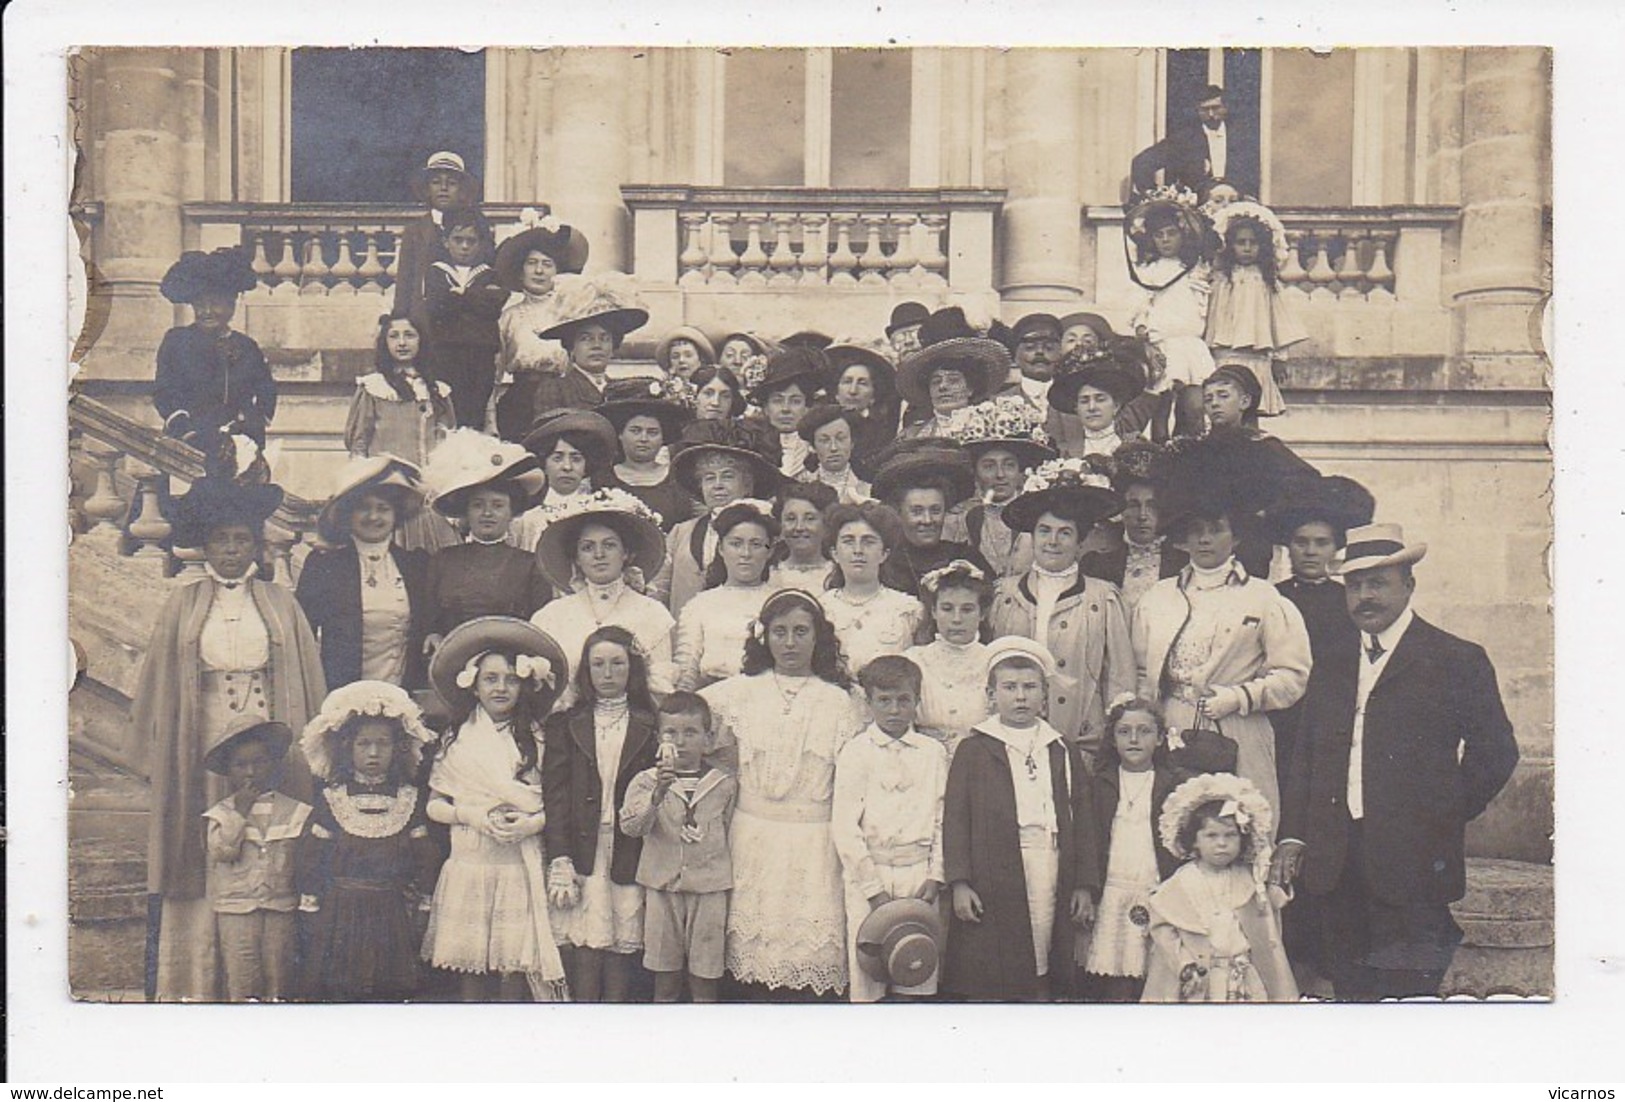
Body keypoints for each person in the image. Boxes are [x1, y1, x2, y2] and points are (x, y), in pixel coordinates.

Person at [1273, 524, 1519, 1001]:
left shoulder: (1454, 658)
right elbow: (1307, 752)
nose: (1364, 596)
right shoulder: (1332, 659)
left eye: (1378, 583)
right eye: (1354, 584)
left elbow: (1496, 752)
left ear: (1409, 585)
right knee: (1349, 991)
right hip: (1335, 861)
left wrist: (1440, 814)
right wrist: (1295, 833)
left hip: (1414, 863)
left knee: (1410, 996)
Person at [132, 475, 325, 1001]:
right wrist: (162, 749)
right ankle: (198, 981)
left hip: (267, 734)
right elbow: (159, 681)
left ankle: (268, 977)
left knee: (266, 834)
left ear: (256, 544)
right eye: (222, 540)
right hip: (202, 734)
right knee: (207, 841)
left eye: (242, 539)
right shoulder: (184, 602)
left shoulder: (280, 601)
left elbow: (306, 677)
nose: (233, 550)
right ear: (206, 546)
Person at [699, 590, 867, 999]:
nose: (789, 643)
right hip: (751, 836)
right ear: (764, 637)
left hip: (815, 840)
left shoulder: (844, 701)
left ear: (818, 637)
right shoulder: (736, 693)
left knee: (807, 947)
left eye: (800, 632)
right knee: (748, 958)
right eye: (779, 632)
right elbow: (688, 730)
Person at [1131, 463, 1313, 826]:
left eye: (1216, 530)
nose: (1204, 540)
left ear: (1236, 538)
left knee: (1240, 826)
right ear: (1182, 539)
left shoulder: (1263, 598)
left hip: (1238, 728)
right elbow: (1139, 672)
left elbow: (1293, 676)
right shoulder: (1158, 597)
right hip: (1172, 726)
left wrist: (1240, 697)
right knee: (1175, 827)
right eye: (1195, 531)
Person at [421, 617, 570, 1001]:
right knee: (472, 966)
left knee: (512, 968)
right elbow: (435, 804)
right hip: (471, 860)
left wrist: (531, 824)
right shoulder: (456, 739)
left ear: (523, 684)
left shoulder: (537, 736)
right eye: (491, 679)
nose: (500, 688)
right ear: (474, 685)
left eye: (510, 679)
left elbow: (555, 800)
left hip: (516, 866)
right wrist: (471, 815)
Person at [942, 637, 1095, 1001]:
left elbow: (1084, 819)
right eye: (1009, 688)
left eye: (1030, 687)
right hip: (995, 868)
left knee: (1045, 947)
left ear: (1045, 694)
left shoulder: (1060, 748)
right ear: (991, 695)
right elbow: (956, 820)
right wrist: (960, 882)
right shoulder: (975, 748)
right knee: (998, 959)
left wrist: (1085, 884)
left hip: (1051, 862)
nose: (1021, 697)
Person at [295, 681, 440, 1001]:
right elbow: (312, 860)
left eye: (383, 744)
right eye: (364, 744)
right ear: (348, 747)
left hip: (391, 917)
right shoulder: (332, 800)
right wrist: (311, 909)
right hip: (340, 917)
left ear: (397, 748)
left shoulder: (410, 800)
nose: (373, 753)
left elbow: (425, 860)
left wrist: (424, 905)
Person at [544, 626, 661, 1002]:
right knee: (585, 944)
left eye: (617, 664)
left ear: (632, 669)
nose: (608, 674)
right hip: (583, 846)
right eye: (598, 665)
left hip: (628, 846)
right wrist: (559, 854)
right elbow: (556, 794)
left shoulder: (649, 723)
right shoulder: (567, 723)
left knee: (620, 944)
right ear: (586, 672)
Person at [990, 458, 1136, 760]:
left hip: (1081, 739)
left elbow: (1121, 678)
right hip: (1012, 737)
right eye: (1044, 531)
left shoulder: (1103, 598)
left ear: (1080, 541)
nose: (1052, 542)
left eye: (1064, 533)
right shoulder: (1004, 593)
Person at [832, 655, 949, 1003]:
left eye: (903, 700)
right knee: (870, 974)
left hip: (919, 878)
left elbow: (943, 815)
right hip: (870, 879)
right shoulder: (856, 752)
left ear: (917, 701)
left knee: (914, 966)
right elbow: (845, 827)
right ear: (868, 704)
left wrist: (936, 875)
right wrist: (873, 890)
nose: (894, 710)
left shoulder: (933, 753)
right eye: (884, 701)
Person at [619, 691, 739, 1004]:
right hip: (662, 888)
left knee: (705, 979)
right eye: (671, 733)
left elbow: (728, 830)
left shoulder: (724, 783)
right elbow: (631, 828)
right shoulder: (646, 781)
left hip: (709, 891)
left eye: (691, 732)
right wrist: (657, 795)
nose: (681, 742)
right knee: (665, 979)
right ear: (660, 738)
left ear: (708, 738)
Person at [1143, 772, 1297, 1002]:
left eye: (1230, 835)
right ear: (1194, 840)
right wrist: (1185, 965)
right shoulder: (1181, 883)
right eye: (1211, 836)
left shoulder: (1249, 880)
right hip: (1200, 976)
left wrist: (1274, 878)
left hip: (1241, 976)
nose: (1222, 844)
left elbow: (1273, 903)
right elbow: (1163, 931)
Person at [1073, 695, 1188, 1002]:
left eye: (1144, 731)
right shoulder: (1099, 785)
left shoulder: (1174, 785)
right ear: (1112, 738)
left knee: (1153, 975)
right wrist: (1085, 889)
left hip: (1156, 890)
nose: (1134, 739)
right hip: (1111, 891)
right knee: (1112, 977)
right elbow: (1085, 841)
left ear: (1161, 737)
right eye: (1124, 732)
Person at [1263, 474, 1374, 785]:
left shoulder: (1349, 600)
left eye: (1321, 543)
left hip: (1332, 717)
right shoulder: (1270, 598)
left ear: (1336, 548)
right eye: (1301, 542)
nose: (1310, 551)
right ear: (1289, 547)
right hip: (1282, 718)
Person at [297, 456, 432, 690]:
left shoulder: (416, 565)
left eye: (383, 509)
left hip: (403, 694)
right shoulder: (324, 565)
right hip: (340, 694)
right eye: (364, 508)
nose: (373, 517)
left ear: (395, 516)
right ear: (349, 513)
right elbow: (303, 636)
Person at [531, 489, 676, 706]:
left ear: (626, 553)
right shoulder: (551, 616)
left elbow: (660, 688)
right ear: (577, 558)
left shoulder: (652, 613)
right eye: (588, 547)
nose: (599, 555)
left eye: (609, 545)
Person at [201, 716, 312, 1002]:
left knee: (280, 974)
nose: (250, 772)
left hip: (280, 907)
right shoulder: (221, 813)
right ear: (229, 771)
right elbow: (222, 851)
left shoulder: (296, 811)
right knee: (242, 975)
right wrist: (239, 812)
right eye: (240, 765)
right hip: (236, 909)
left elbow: (306, 859)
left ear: (273, 764)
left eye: (259, 762)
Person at [419, 430, 553, 647]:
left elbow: (538, 628)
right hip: (452, 660)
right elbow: (429, 622)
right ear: (466, 512)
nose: (487, 513)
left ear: (512, 512)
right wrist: (432, 634)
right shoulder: (443, 560)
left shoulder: (530, 565)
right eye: (478, 505)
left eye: (498, 506)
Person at [344, 314, 459, 554]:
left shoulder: (437, 390)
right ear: (385, 343)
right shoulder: (374, 387)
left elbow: (447, 442)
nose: (402, 343)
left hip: (427, 492)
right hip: (387, 490)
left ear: (421, 341)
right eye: (394, 336)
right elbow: (358, 443)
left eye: (409, 335)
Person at [153, 246, 276, 466]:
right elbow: (164, 392)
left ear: (231, 305)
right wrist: (183, 427)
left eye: (215, 303)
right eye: (200, 304)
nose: (207, 311)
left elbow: (266, 389)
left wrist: (251, 422)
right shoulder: (177, 341)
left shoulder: (247, 347)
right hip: (188, 444)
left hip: (237, 448)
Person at [651, 419, 782, 618]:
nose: (717, 485)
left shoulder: (769, 531)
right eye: (709, 478)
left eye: (727, 476)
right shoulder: (681, 532)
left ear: (747, 484)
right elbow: (658, 592)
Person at [492, 216, 590, 436]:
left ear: (557, 272)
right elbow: (495, 372)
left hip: (563, 396)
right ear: (520, 270)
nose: (539, 271)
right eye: (532, 263)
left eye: (547, 264)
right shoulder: (508, 317)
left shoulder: (570, 313)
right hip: (519, 401)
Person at [1127, 193, 1214, 437]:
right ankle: (1161, 456)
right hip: (1162, 345)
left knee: (1195, 408)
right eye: (1159, 235)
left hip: (1191, 345)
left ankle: (1191, 455)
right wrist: (1145, 340)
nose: (1165, 240)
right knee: (1160, 408)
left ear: (1182, 235)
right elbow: (1140, 310)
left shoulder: (1195, 269)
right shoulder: (1148, 272)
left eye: (1171, 233)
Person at [939, 398, 1056, 579]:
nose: (1000, 475)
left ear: (1019, 471)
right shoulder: (959, 521)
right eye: (989, 466)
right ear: (975, 472)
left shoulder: (1039, 518)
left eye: (1009, 465)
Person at [1205, 201, 1301, 417]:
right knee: (1225, 407)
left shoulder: (1268, 282)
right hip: (1225, 354)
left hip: (1256, 356)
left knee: (1252, 408)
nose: (1247, 248)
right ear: (1230, 246)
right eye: (1241, 243)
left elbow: (1278, 321)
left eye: (1253, 243)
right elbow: (1211, 318)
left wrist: (1279, 358)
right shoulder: (1220, 280)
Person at [672, 499, 778, 691]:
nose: (745, 553)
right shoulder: (700, 606)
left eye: (756, 544)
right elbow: (686, 672)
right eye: (736, 544)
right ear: (721, 548)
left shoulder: (780, 603)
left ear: (769, 551)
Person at [421, 207, 508, 430]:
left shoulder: (489, 274)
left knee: (476, 412)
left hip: (481, 354)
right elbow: (438, 306)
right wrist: (474, 299)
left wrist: (460, 296)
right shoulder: (436, 272)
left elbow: (492, 306)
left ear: (480, 243)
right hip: (446, 353)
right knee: (448, 411)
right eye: (458, 240)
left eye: (471, 241)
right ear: (446, 241)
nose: (465, 247)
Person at [868, 440, 993, 594]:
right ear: (899, 512)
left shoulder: (966, 559)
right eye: (917, 511)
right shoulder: (885, 563)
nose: (927, 520)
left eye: (935, 510)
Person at [1078, 439, 1188, 611]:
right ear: (1121, 509)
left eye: (1151, 505)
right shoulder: (1096, 565)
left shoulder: (1184, 564)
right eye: (1133, 505)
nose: (1142, 515)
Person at [524, 274, 650, 422]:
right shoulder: (556, 389)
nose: (596, 345)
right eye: (586, 338)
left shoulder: (622, 390)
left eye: (604, 338)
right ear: (571, 346)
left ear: (613, 345)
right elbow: (550, 437)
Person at [819, 501, 925, 674]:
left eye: (868, 541)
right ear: (834, 553)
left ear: (884, 554)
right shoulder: (820, 609)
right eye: (848, 541)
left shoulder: (908, 610)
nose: (858, 550)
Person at [904, 560, 994, 757]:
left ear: (982, 614)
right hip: (925, 766)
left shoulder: (993, 661)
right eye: (947, 608)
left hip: (980, 768)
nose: (956, 619)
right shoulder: (914, 661)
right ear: (934, 612)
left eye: (967, 609)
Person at [513, 408, 619, 553]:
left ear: (586, 466)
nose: (567, 467)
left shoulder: (601, 511)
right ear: (544, 464)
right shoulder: (526, 521)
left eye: (576, 459)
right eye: (557, 458)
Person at [893, 308, 1009, 439]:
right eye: (936, 381)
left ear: (970, 387)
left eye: (953, 380)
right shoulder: (913, 436)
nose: (943, 386)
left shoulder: (995, 429)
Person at [598, 377, 696, 531]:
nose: (643, 439)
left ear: (663, 438)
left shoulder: (680, 480)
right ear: (620, 434)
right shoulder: (600, 480)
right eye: (635, 431)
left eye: (652, 432)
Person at [1130, 85, 1258, 199]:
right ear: (1197, 111)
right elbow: (1142, 162)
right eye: (1205, 109)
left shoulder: (1241, 137)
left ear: (1226, 108)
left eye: (1216, 108)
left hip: (1234, 202)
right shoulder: (1184, 139)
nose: (1211, 114)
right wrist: (1154, 194)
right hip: (1197, 207)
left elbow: (1251, 174)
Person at [393, 151, 481, 320]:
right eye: (436, 182)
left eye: (452, 183)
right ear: (427, 189)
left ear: (462, 190)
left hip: (462, 320)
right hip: (424, 319)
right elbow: (405, 283)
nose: (443, 188)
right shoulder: (415, 232)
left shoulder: (473, 229)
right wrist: (401, 317)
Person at [1046, 352, 1145, 460]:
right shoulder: (1064, 452)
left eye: (1100, 399)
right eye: (1084, 401)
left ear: (1116, 406)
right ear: (1076, 408)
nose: (1091, 407)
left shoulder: (1134, 446)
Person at [747, 346, 827, 478]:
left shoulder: (818, 448)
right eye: (777, 401)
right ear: (765, 407)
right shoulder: (751, 444)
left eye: (795, 401)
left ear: (807, 406)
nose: (786, 409)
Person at [823, 343, 901, 467]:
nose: (853, 390)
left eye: (863, 383)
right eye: (847, 382)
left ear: (874, 396)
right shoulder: (820, 427)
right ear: (836, 392)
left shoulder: (883, 434)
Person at [767, 482, 838, 593]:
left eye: (810, 519)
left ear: (826, 524)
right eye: (790, 519)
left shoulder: (839, 575)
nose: (799, 527)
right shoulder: (768, 574)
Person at [795, 404, 872, 504]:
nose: (833, 448)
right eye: (824, 440)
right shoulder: (801, 484)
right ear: (813, 447)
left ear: (852, 442)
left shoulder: (868, 485)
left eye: (841, 439)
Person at [1007, 313, 1065, 409]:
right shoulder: (997, 404)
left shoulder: (1074, 402)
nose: (1040, 352)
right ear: (1015, 357)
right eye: (1030, 347)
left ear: (1060, 353)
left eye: (1048, 347)